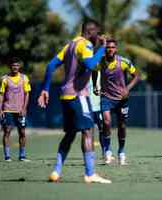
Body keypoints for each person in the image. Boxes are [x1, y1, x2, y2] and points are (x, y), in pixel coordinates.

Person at [37, 19, 111, 184]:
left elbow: (50, 66)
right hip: (79, 95)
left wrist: (45, 89)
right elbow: (91, 64)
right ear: (90, 32)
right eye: (97, 34)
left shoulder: (70, 44)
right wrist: (103, 48)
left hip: (65, 96)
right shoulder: (85, 45)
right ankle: (90, 173)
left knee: (70, 134)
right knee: (88, 131)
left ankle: (56, 171)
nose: (98, 37)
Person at [93, 38, 140, 165]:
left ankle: (121, 152)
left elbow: (137, 76)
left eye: (113, 47)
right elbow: (94, 71)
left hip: (122, 99)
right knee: (106, 123)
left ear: (116, 49)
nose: (110, 49)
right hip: (106, 97)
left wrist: (127, 88)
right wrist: (94, 86)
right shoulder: (100, 62)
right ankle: (107, 151)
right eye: (108, 47)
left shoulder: (124, 62)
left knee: (122, 125)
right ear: (105, 49)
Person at [0, 57, 31, 162]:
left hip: (20, 110)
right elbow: (1, 95)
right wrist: (0, 110)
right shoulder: (5, 79)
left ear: (19, 66)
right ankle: (7, 156)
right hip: (8, 109)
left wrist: (24, 108)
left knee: (22, 132)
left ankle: (22, 156)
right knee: (7, 131)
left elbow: (27, 94)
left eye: (17, 65)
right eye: (13, 65)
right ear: (10, 67)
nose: (15, 67)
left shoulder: (24, 78)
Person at [88, 72, 105, 157]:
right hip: (88, 107)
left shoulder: (102, 71)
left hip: (99, 106)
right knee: (88, 131)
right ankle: (90, 154)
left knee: (102, 129)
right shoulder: (85, 73)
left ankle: (105, 151)